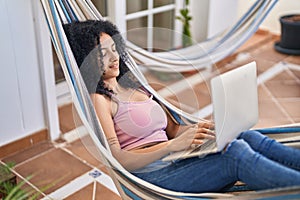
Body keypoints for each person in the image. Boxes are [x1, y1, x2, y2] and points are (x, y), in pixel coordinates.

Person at [64, 19, 300, 193]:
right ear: (88, 59)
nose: (114, 57)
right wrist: (171, 147)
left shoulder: (137, 85)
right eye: (103, 54)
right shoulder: (101, 99)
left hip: (176, 157)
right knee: (236, 155)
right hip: (155, 176)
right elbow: (117, 157)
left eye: (114, 49)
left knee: (244, 136)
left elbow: (173, 130)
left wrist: (206, 129)